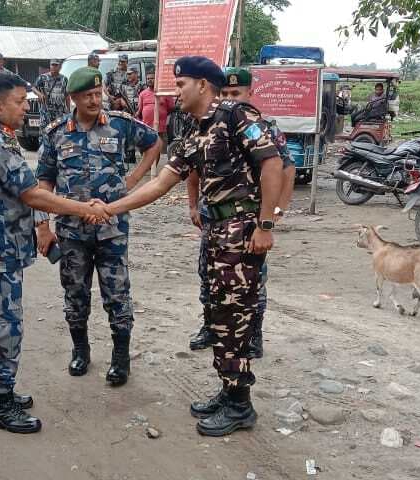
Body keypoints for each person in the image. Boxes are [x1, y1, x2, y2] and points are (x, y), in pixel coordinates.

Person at [103, 56, 282, 436]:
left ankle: (240, 406)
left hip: (242, 232)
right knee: (219, 316)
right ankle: (229, 389)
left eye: (181, 84)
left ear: (203, 85)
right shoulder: (194, 131)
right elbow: (159, 183)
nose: (175, 92)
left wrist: (266, 224)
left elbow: (272, 164)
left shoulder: (237, 116)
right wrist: (111, 208)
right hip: (217, 234)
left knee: (237, 318)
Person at [0, 72, 111, 434]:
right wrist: (82, 208)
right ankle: (1, 402)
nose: (26, 106)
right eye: (19, 101)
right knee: (3, 327)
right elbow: (32, 194)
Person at [35, 67, 162, 386]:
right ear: (72, 98)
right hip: (71, 229)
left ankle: (121, 358)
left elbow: (154, 143)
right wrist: (42, 227)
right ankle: (80, 350)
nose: (94, 100)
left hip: (111, 227)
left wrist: (132, 180)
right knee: (75, 292)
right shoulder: (55, 133)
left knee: (117, 292)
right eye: (87, 96)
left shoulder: (119, 124)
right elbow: (44, 181)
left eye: (98, 93)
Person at [187, 66, 296, 359]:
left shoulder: (263, 128)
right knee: (208, 274)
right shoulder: (209, 124)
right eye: (224, 93)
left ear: (250, 93)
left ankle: (252, 334)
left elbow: (285, 169)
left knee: (251, 280)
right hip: (213, 217)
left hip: (247, 221)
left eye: (235, 93)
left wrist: (274, 214)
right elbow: (193, 170)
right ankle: (212, 326)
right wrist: (193, 204)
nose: (228, 98)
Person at [136, 69, 175, 147]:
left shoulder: (163, 92)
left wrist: (161, 114)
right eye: (148, 79)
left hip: (160, 127)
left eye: (152, 78)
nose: (150, 80)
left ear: (157, 79)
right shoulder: (143, 94)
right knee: (147, 146)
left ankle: (156, 159)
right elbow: (139, 111)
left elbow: (171, 107)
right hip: (147, 126)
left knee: (158, 147)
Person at [33, 59, 69, 128]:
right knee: (45, 132)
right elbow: (34, 88)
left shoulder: (64, 79)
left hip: (59, 112)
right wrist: (39, 94)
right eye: (52, 65)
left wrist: (68, 110)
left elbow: (67, 95)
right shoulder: (42, 77)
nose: (54, 67)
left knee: (58, 132)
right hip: (46, 112)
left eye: (56, 65)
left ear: (60, 67)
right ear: (50, 66)